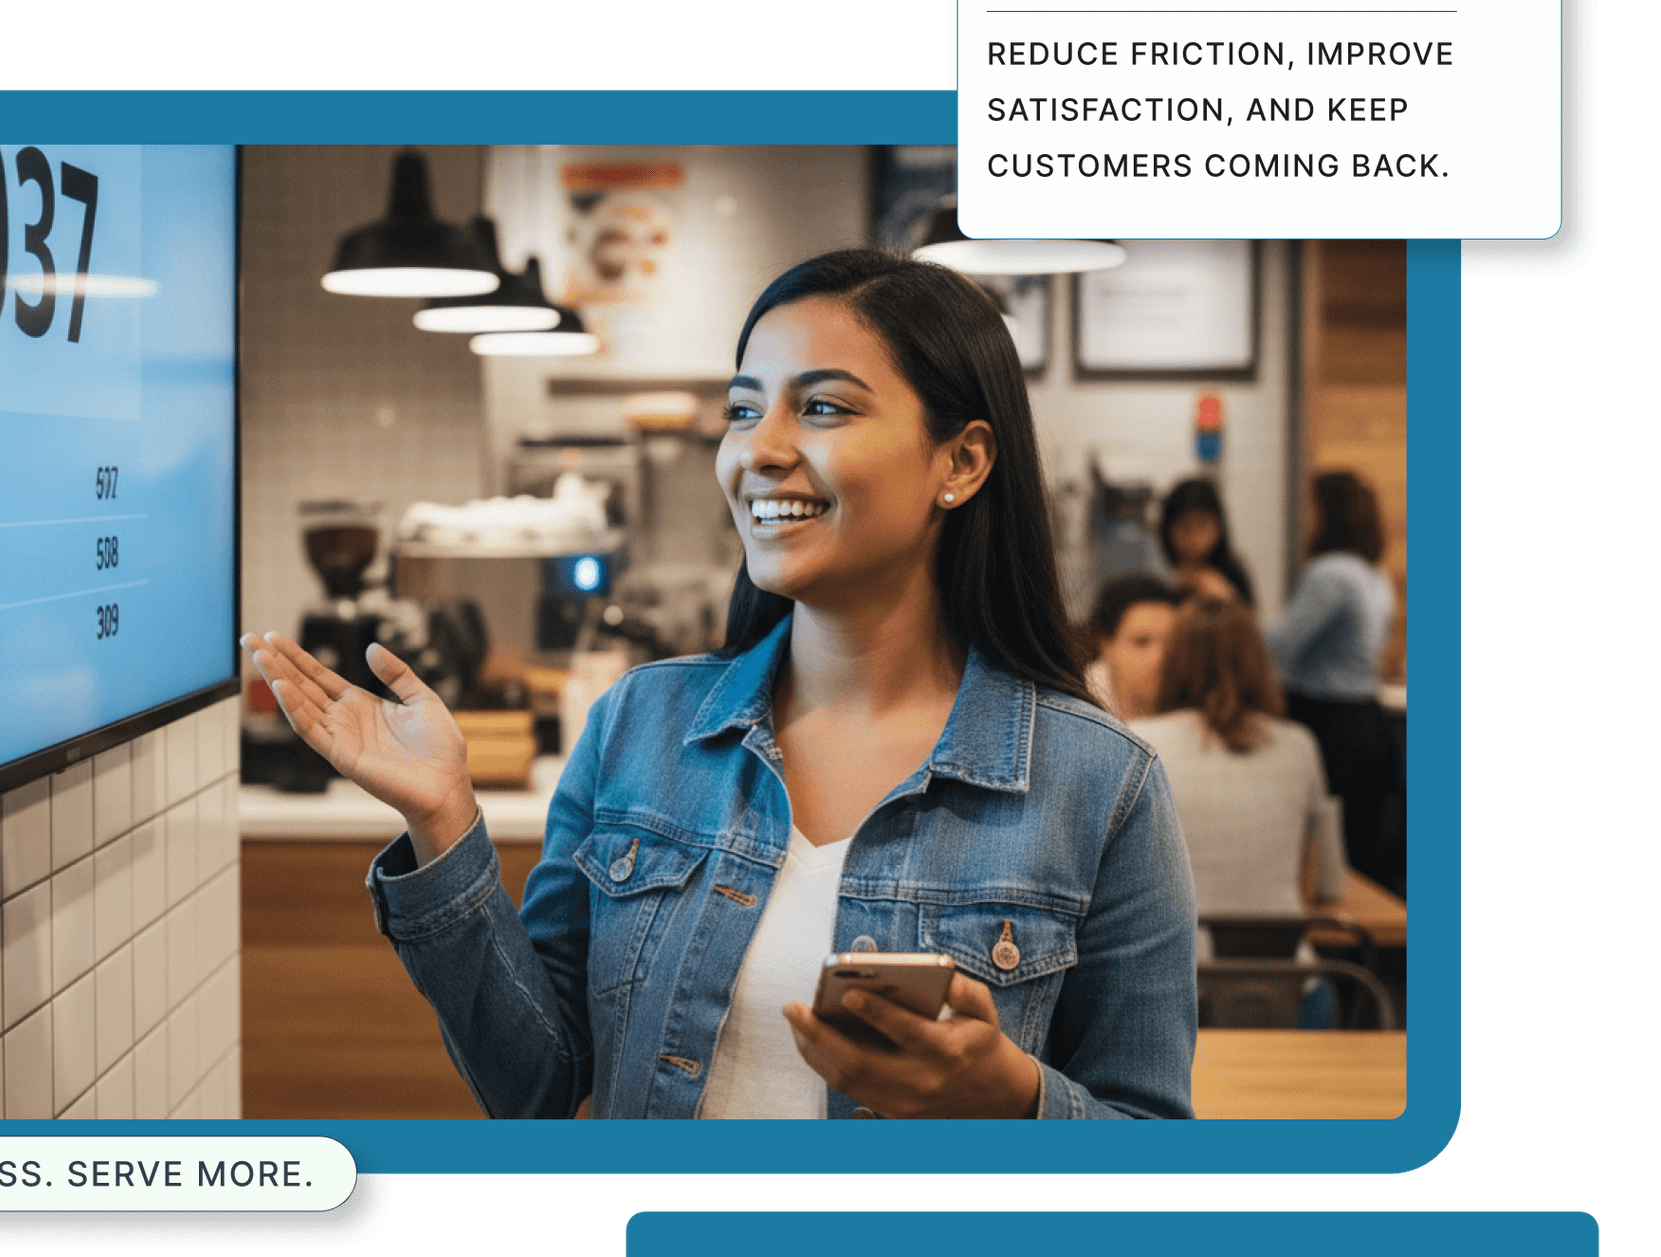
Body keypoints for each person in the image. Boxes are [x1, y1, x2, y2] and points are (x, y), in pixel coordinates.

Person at [243, 248, 1196, 1121]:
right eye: (744, 410)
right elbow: (534, 1082)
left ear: (962, 461)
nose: (759, 450)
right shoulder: (639, 726)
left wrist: (1013, 1102)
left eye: (823, 408)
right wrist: (444, 821)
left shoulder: (1099, 786)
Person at [1134, 599, 1346, 922]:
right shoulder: (1299, 745)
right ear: (1259, 663)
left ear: (1172, 662)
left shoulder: (1140, 742)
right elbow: (1329, 883)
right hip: (1281, 951)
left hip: (1174, 951)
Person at [1267, 471, 1399, 882]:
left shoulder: (1331, 572)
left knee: (1326, 857)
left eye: (1311, 506)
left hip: (1329, 726)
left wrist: (1229, 608)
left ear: (1330, 512)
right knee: (1360, 856)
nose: (1304, 517)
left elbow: (1279, 644)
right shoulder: (1375, 574)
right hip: (1368, 722)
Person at [1084, 573, 1183, 721]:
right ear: (1106, 645)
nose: (1160, 657)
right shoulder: (1080, 709)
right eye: (1141, 642)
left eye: (1171, 643)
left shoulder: (1199, 705)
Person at [1159, 478, 1255, 606]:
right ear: (1168, 529)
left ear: (1219, 526)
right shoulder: (1157, 574)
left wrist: (1226, 597)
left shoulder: (1232, 574)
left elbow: (1251, 617)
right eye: (1185, 526)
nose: (1194, 537)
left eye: (1202, 525)